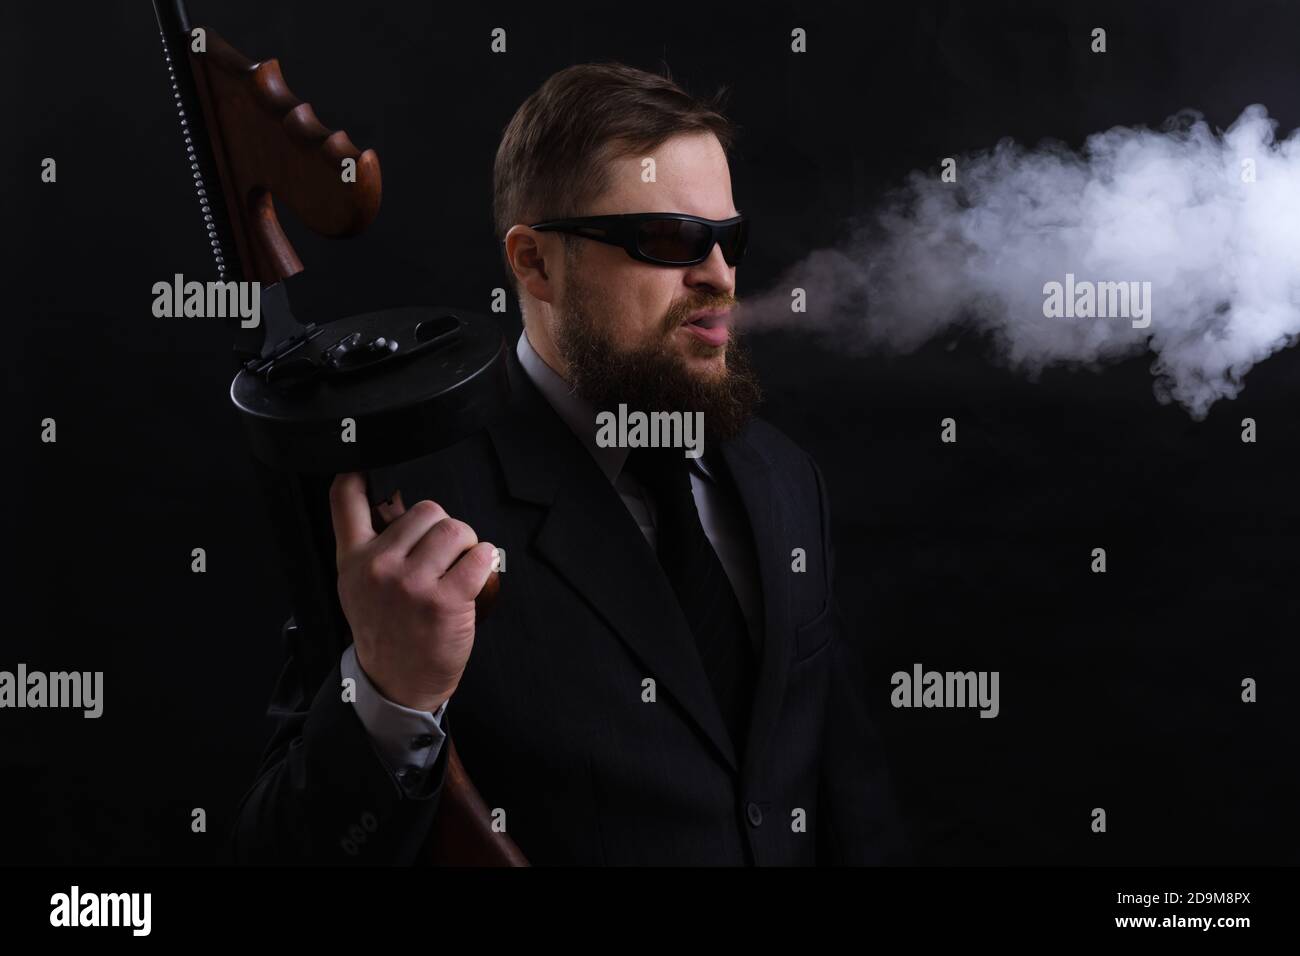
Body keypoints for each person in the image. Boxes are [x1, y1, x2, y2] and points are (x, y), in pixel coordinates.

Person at [232, 61, 907, 865]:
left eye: (730, 240)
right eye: (669, 240)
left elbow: (846, 798)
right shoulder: (406, 511)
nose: (719, 276)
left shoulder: (784, 478)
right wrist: (392, 694)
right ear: (534, 263)